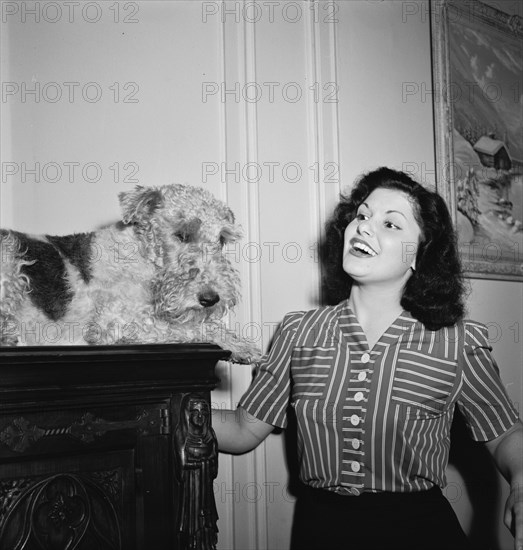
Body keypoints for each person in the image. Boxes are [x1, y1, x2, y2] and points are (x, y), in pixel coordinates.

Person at [212, 167, 523, 550]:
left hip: (420, 533)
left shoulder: (458, 342)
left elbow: (506, 433)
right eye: (362, 216)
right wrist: (167, 409)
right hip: (319, 532)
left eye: (391, 224)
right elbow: (244, 429)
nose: (363, 227)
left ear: (419, 255)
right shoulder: (298, 332)